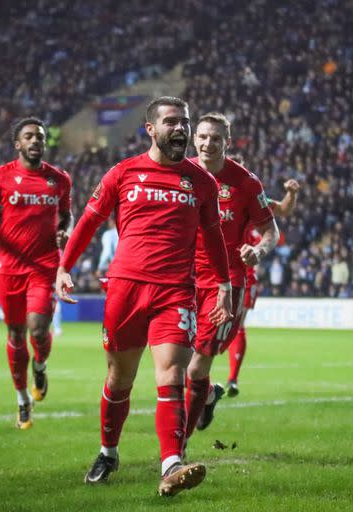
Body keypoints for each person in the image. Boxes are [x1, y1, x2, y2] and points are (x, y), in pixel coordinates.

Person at [56, 97, 232, 496]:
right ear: (150, 129)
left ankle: (171, 463)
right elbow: (89, 220)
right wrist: (65, 266)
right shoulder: (123, 173)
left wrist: (223, 284)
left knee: (171, 375)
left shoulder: (202, 182)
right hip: (125, 288)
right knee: (120, 379)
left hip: (176, 292)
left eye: (184, 122)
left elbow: (214, 237)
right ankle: (108, 450)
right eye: (171, 122)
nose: (181, 129)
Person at [183, 112, 279, 442]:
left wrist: (259, 251)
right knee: (176, 365)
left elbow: (271, 230)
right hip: (181, 281)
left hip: (224, 284)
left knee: (195, 368)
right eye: (204, 137)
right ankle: (208, 395)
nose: (209, 143)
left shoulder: (246, 183)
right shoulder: (179, 172)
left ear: (229, 141)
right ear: (195, 138)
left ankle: (176, 450)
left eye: (216, 138)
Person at [0, 117, 72, 429]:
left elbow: (66, 216)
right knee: (16, 334)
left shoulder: (59, 180)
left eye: (40, 137)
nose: (35, 141)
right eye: (29, 136)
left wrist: (63, 232)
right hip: (9, 269)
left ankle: (39, 366)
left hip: (44, 266)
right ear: (18, 144)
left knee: (38, 329)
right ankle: (21, 399)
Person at [226, 179, 300, 398]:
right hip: (208, 268)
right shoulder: (205, 191)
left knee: (237, 324)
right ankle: (197, 379)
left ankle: (232, 379)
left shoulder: (251, 197)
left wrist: (291, 194)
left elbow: (283, 209)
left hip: (245, 268)